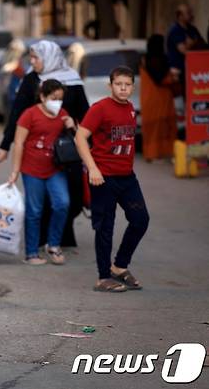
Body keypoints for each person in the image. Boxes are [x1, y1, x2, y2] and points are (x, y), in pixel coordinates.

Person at [0, 40, 89, 249]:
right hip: (37, 147)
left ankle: (63, 235)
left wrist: (89, 141)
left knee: (72, 196)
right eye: (32, 57)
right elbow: (17, 114)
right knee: (40, 199)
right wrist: (5, 144)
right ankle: (42, 240)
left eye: (37, 58)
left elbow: (86, 114)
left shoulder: (72, 79)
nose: (33, 62)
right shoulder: (31, 80)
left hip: (68, 148)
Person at [75, 66, 149, 292]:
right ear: (110, 86)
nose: (123, 88)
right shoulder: (100, 109)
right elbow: (80, 138)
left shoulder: (130, 108)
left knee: (140, 220)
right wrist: (93, 169)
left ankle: (119, 266)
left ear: (133, 87)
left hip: (127, 178)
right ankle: (103, 276)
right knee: (105, 227)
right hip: (103, 177)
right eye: (119, 84)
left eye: (127, 85)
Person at [7, 80, 75, 265]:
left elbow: (75, 140)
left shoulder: (63, 115)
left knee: (62, 203)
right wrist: (15, 171)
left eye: (60, 99)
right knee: (34, 210)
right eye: (54, 98)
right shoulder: (29, 115)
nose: (58, 102)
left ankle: (53, 244)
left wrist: (72, 125)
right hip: (32, 169)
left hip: (55, 168)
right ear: (43, 96)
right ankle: (31, 253)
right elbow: (19, 143)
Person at [140, 34, 179, 161]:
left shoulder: (145, 59)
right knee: (164, 126)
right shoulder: (159, 59)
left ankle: (151, 153)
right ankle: (165, 151)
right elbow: (160, 78)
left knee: (152, 128)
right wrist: (173, 78)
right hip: (161, 99)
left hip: (148, 99)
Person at [166, 4, 205, 78]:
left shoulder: (193, 29)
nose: (191, 15)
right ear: (180, 16)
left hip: (193, 70)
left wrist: (191, 43)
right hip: (178, 70)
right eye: (188, 13)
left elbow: (202, 44)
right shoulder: (175, 30)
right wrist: (193, 43)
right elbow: (183, 50)